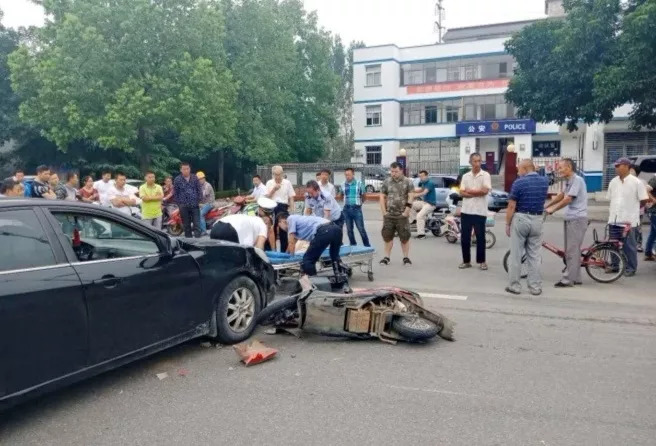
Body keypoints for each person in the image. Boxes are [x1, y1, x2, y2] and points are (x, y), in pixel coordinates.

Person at [505, 160, 549, 296]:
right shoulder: (544, 182)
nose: (518, 172)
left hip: (521, 219)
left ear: (525, 168)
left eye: (519, 169)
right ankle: (535, 287)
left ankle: (515, 286)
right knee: (534, 256)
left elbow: (511, 206)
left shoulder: (519, 183)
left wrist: (507, 223)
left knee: (516, 255)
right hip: (538, 219)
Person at [545, 158, 588, 287]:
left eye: (561, 167)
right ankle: (576, 277)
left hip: (577, 219)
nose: (559, 170)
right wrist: (547, 205)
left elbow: (568, 199)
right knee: (572, 251)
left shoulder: (577, 180)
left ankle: (568, 279)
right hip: (571, 218)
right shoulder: (569, 181)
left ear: (569, 167)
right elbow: (561, 196)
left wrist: (553, 209)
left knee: (572, 251)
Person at [606, 158, 649, 277]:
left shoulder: (636, 182)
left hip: (629, 220)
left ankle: (631, 268)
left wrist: (633, 209)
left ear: (626, 166)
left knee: (629, 246)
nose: (616, 168)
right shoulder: (613, 182)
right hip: (614, 218)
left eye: (618, 165)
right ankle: (615, 266)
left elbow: (644, 199)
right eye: (615, 166)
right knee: (613, 244)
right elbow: (610, 198)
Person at [277, 212, 342, 277]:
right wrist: (286, 254)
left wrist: (291, 258)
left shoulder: (290, 219)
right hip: (336, 229)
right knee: (334, 256)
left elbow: (291, 242)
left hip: (324, 230)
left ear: (282, 221)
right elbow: (293, 242)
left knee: (308, 260)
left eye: (280, 226)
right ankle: (340, 278)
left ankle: (314, 282)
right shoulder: (298, 220)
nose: (282, 229)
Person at [459, 154, 492, 269]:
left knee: (480, 237)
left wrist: (470, 191)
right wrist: (475, 192)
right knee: (465, 238)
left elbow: (485, 191)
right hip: (466, 210)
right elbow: (461, 192)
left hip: (480, 211)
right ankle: (466, 261)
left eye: (479, 161)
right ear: (470, 162)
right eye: (475, 161)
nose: (477, 164)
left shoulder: (485, 175)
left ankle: (482, 261)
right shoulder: (465, 176)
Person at [379, 162, 414, 266]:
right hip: (389, 215)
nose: (393, 173)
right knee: (387, 236)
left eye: (396, 171)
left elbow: (411, 196)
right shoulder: (387, 182)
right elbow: (381, 196)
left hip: (401, 215)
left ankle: (406, 257)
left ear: (401, 170)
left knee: (404, 236)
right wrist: (384, 212)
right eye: (392, 171)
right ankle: (386, 257)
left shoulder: (408, 182)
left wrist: (407, 211)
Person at [266, 165, 295, 251]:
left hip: (283, 207)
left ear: (282, 173)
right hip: (271, 206)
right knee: (271, 228)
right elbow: (266, 197)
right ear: (273, 174)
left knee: (284, 228)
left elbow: (291, 197)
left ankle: (284, 250)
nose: (278, 176)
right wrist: (274, 189)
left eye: (279, 174)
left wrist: (292, 209)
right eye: (275, 174)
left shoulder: (287, 183)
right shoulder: (269, 183)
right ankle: (272, 250)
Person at [342, 167, 370, 247]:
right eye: (346, 175)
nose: (347, 176)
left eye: (349, 175)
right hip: (346, 210)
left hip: (356, 209)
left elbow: (364, 196)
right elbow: (341, 195)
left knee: (361, 229)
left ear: (353, 174)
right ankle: (353, 245)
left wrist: (359, 203)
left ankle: (367, 245)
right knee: (349, 230)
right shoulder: (343, 184)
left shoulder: (359, 184)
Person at [173, 162, 203, 238]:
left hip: (194, 204)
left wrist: (199, 200)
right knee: (186, 225)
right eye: (184, 169)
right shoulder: (177, 179)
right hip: (183, 206)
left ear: (190, 169)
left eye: (187, 169)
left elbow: (199, 189)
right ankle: (189, 242)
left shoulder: (195, 178)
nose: (186, 170)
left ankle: (198, 241)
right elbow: (176, 193)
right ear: (181, 170)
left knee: (197, 224)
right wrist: (179, 205)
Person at [410, 170, 437, 240]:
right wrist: (409, 190)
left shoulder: (430, 183)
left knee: (419, 216)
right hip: (424, 203)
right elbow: (419, 190)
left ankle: (421, 235)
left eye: (422, 176)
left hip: (430, 204)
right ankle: (414, 220)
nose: (421, 178)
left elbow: (424, 193)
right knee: (409, 204)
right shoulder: (423, 183)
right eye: (420, 176)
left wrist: (414, 196)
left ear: (426, 176)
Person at [644, 174, 656, 261]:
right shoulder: (655, 179)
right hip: (654, 211)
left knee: (653, 233)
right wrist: (653, 199)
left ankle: (648, 253)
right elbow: (645, 190)